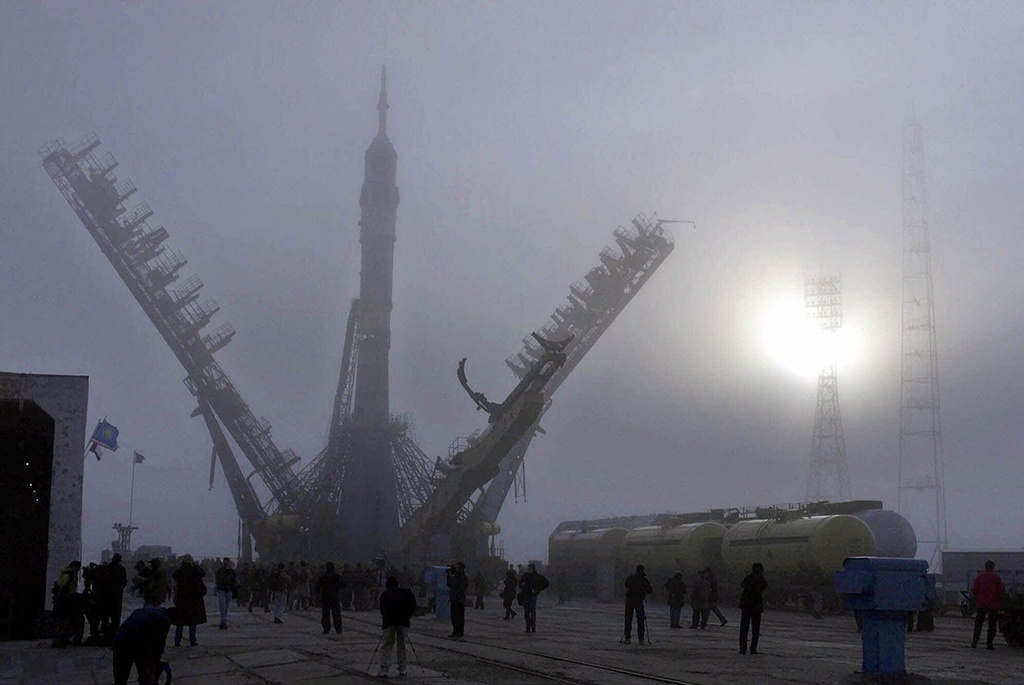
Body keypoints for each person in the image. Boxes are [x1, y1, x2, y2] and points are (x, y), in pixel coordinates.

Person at [112, 605, 171, 685]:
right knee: (146, 674)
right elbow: (159, 645)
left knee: (120, 676)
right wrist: (156, 661)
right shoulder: (164, 620)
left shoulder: (144, 610)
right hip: (137, 644)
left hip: (120, 640)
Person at [377, 575, 417, 678]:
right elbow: (413, 605)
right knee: (402, 645)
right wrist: (408, 615)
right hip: (403, 622)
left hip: (389, 623)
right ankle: (402, 669)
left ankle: (384, 669)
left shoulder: (385, 595)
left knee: (387, 645)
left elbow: (382, 610)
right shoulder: (407, 593)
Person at [171, 554, 207, 646]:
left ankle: (177, 640)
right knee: (193, 621)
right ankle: (192, 640)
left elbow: (174, 577)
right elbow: (202, 572)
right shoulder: (194, 570)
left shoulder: (179, 571)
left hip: (182, 598)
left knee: (180, 621)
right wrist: (194, 565)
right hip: (193, 598)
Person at [971, 560, 1006, 650]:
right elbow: (1001, 591)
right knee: (992, 624)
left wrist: (978, 597)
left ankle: (975, 642)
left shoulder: (980, 577)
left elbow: (974, 590)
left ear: (985, 567)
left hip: (982, 603)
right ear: (993, 567)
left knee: (978, 623)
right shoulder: (996, 578)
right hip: (993, 604)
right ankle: (989, 643)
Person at [51, 560, 84, 647]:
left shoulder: (71, 574)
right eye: (77, 567)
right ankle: (57, 641)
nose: (78, 570)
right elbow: (59, 586)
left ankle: (63, 639)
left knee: (66, 621)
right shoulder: (68, 575)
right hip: (64, 601)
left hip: (67, 601)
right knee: (62, 621)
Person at [739, 562, 768, 655]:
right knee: (755, 630)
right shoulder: (761, 580)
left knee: (744, 629)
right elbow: (764, 587)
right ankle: (753, 648)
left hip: (746, 606)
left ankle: (743, 648)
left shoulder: (748, 578)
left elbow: (742, 585)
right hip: (756, 607)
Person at [623, 564, 653, 644]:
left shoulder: (631, 578)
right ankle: (641, 638)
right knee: (640, 619)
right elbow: (650, 589)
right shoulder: (643, 579)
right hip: (639, 599)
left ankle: (627, 637)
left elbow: (626, 585)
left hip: (630, 599)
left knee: (628, 618)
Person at [101, 554, 129, 636]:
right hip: (117, 594)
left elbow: (103, 580)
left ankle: (104, 629)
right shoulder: (121, 569)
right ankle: (115, 630)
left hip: (107, 594)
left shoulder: (107, 568)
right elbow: (124, 581)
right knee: (116, 614)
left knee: (105, 613)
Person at [518, 563, 550, 633]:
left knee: (532, 611)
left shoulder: (537, 576)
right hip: (526, 595)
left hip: (532, 595)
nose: (529, 570)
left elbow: (546, 583)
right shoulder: (526, 575)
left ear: (533, 569)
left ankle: (532, 626)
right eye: (528, 569)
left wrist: (538, 589)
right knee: (527, 612)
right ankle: (528, 627)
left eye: (530, 569)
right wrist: (522, 585)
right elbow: (520, 583)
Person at [315, 561, 345, 634]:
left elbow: (317, 587)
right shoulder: (337, 576)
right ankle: (338, 628)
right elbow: (343, 585)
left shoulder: (323, 576)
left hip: (325, 596)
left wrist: (318, 594)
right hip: (334, 596)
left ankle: (326, 628)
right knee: (336, 613)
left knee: (325, 613)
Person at [214, 557, 238, 630]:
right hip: (222, 590)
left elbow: (235, 581)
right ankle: (223, 622)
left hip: (228, 590)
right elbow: (218, 580)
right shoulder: (220, 571)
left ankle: (224, 620)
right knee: (223, 606)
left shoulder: (231, 571)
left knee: (225, 607)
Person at [446, 561, 468, 639]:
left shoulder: (463, 577)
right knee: (454, 617)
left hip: (459, 600)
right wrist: (449, 576)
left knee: (459, 618)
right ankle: (455, 632)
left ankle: (459, 633)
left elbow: (461, 588)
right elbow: (449, 584)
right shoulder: (456, 577)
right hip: (454, 599)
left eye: (458, 568)